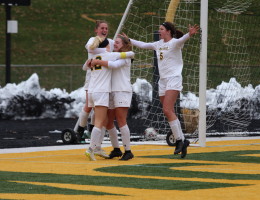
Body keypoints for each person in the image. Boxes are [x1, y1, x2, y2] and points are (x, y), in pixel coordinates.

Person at [122, 22, 199, 158]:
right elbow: (143, 45)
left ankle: (179, 141)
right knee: (169, 111)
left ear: (168, 31)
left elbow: (182, 39)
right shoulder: (158, 44)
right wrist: (129, 40)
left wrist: (189, 34)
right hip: (163, 81)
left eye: (161, 29)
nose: (159, 31)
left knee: (167, 110)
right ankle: (183, 140)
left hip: (173, 79)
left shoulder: (175, 43)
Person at [84, 39, 135, 161]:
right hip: (109, 91)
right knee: (108, 123)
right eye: (114, 42)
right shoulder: (111, 55)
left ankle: (128, 151)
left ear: (124, 45)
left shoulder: (123, 57)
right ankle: (116, 149)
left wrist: (97, 61)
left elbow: (114, 65)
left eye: (118, 42)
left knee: (121, 120)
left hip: (122, 90)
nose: (115, 44)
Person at [74, 20, 114, 143]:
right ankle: (80, 131)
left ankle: (91, 130)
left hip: (103, 79)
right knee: (89, 105)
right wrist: (106, 51)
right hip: (92, 78)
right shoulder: (93, 39)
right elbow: (90, 49)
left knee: (99, 107)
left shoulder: (110, 42)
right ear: (96, 30)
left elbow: (119, 46)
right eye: (102, 28)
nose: (104, 30)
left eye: (106, 28)